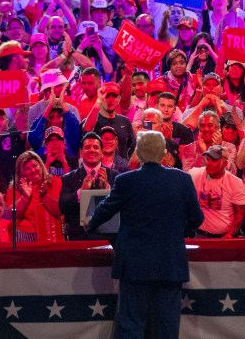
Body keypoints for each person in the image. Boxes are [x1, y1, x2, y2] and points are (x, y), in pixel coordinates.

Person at [87, 131, 203, 339]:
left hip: (134, 265)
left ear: (138, 153)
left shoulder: (125, 181)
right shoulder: (183, 180)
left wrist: (89, 224)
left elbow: (104, 211)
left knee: (131, 325)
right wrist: (179, 232)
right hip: (170, 263)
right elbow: (197, 218)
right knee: (167, 327)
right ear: (165, 154)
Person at [59, 132, 118, 240]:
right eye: (87, 147)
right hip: (79, 239)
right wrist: (81, 191)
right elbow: (63, 206)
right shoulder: (68, 178)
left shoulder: (115, 177)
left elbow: (120, 207)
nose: (92, 150)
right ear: (81, 152)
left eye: (96, 147)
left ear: (101, 152)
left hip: (108, 239)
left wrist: (107, 190)